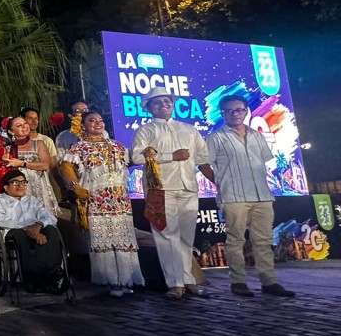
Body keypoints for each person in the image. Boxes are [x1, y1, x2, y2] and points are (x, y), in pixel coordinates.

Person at [199, 95, 295, 298]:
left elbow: (265, 161)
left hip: (262, 195)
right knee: (235, 241)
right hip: (233, 196)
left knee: (264, 241)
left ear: (246, 111)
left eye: (239, 110)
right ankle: (238, 282)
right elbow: (203, 163)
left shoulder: (257, 135)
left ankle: (269, 282)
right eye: (229, 111)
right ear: (223, 113)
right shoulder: (216, 138)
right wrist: (219, 183)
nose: (235, 114)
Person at [130, 86, 210, 300]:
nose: (164, 105)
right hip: (159, 189)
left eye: (167, 101)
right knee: (166, 236)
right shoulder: (145, 131)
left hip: (188, 187)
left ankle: (188, 280)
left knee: (185, 237)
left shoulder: (189, 129)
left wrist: (219, 181)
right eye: (157, 102)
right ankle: (174, 284)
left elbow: (202, 158)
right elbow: (137, 158)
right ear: (149, 108)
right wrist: (170, 156)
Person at [60, 111, 144, 297]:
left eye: (100, 120)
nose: (98, 123)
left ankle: (127, 278)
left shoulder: (117, 146)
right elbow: (65, 167)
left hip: (120, 199)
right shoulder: (79, 148)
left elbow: (130, 162)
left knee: (123, 237)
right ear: (83, 125)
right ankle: (112, 281)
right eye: (92, 120)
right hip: (97, 199)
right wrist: (74, 186)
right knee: (104, 238)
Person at [0, 170, 64, 290]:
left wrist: (38, 226)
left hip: (36, 229)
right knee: (19, 235)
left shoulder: (32, 200)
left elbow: (50, 217)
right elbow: (1, 220)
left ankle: (52, 275)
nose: (20, 186)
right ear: (6, 187)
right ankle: (31, 278)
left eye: (23, 182)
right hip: (13, 231)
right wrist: (27, 229)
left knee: (51, 230)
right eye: (15, 182)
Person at [4, 116, 59, 215]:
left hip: (38, 186)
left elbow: (46, 165)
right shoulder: (7, 149)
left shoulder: (38, 144)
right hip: (19, 187)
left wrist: (22, 163)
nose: (24, 126)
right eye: (19, 125)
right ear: (11, 131)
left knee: (42, 219)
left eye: (25, 123)